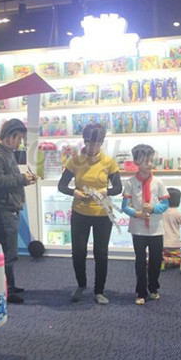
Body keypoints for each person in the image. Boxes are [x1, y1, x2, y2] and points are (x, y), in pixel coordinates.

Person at [57, 123, 122, 305]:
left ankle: (99, 291)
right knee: (78, 252)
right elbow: (61, 186)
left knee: (101, 253)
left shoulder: (109, 162)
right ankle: (81, 285)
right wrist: (74, 192)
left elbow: (118, 188)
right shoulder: (75, 161)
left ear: (102, 142)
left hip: (103, 214)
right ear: (84, 141)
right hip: (80, 213)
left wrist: (105, 191)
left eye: (97, 143)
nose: (92, 147)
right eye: (89, 142)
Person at [0, 119, 37, 304]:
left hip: (9, 206)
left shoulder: (6, 153)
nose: (20, 142)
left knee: (9, 250)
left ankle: (9, 286)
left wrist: (23, 179)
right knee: (6, 250)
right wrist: (21, 179)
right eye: (19, 138)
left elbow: (6, 178)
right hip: (2, 208)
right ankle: (6, 290)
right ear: (9, 136)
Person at [122, 144, 169, 305]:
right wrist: (137, 213)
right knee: (140, 261)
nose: (149, 164)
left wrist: (154, 209)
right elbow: (125, 206)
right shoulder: (130, 183)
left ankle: (153, 287)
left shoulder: (158, 182)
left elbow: (165, 204)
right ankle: (141, 292)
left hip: (156, 228)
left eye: (151, 160)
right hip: (138, 229)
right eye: (145, 161)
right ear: (136, 161)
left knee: (156, 260)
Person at [162, 188, 181, 270]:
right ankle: (165, 260)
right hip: (174, 244)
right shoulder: (177, 213)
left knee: (160, 254)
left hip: (161, 243)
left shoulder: (161, 212)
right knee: (180, 260)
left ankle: (160, 260)